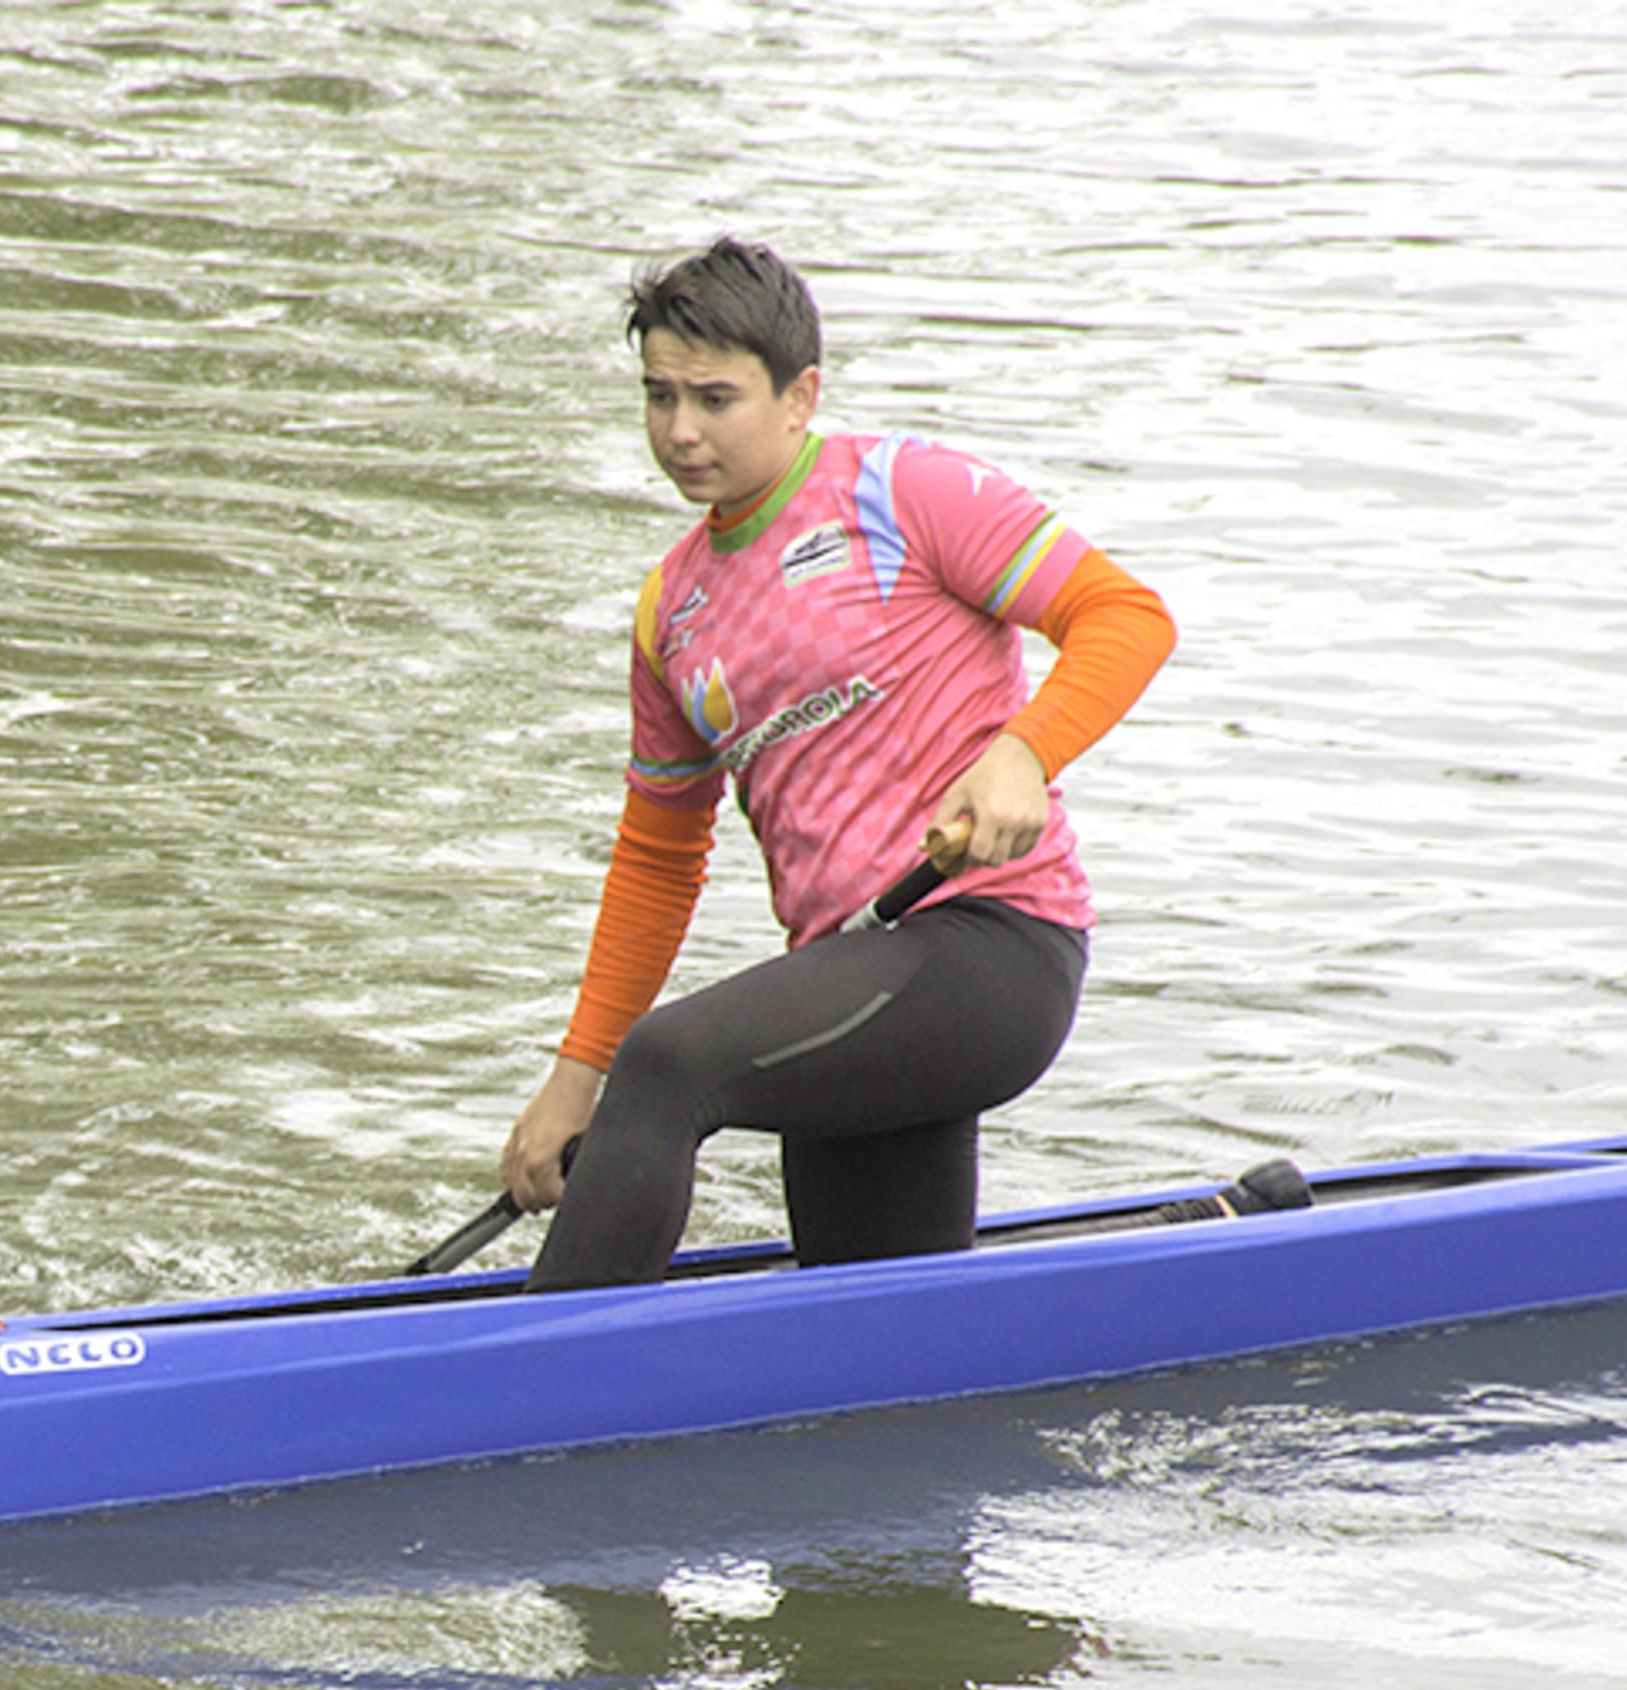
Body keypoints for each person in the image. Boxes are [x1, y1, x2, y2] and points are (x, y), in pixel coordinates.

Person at [505, 235, 1178, 1284]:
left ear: (797, 394)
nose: (679, 432)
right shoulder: (668, 610)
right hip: (854, 981)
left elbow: (1122, 616)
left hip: (990, 947)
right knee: (877, 1314)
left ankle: (526, 1385)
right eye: (657, 397)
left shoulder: (902, 492)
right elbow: (653, 862)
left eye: (713, 399)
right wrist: (571, 1076)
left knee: (670, 1063)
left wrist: (1020, 752)